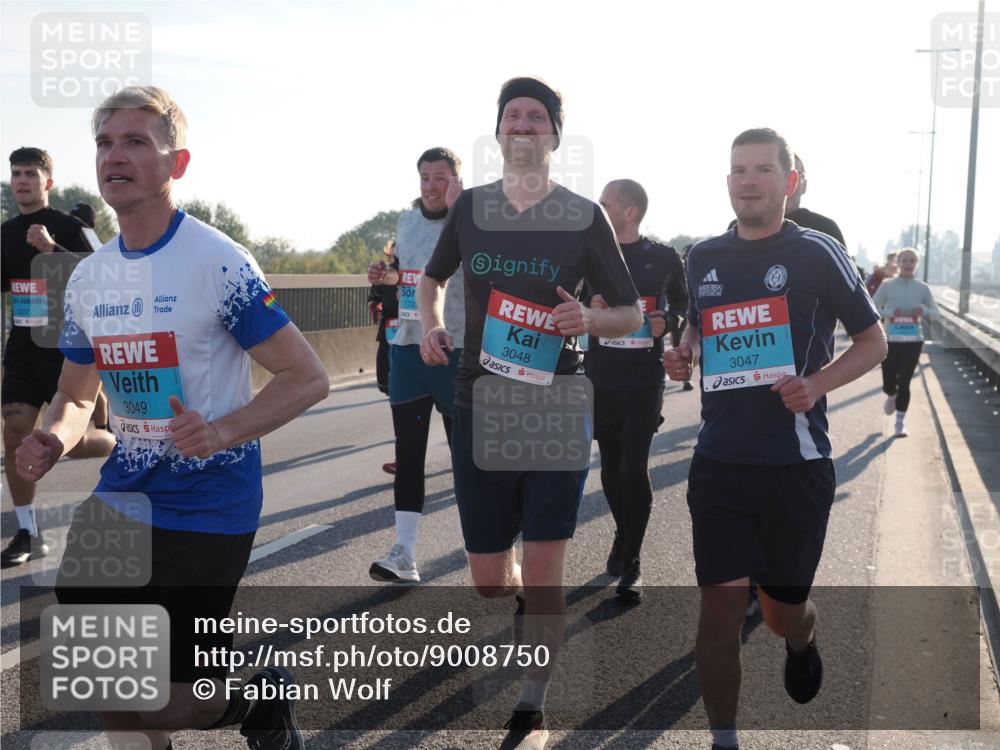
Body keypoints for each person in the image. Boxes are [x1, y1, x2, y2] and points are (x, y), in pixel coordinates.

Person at [15, 86, 329, 750]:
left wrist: (220, 431)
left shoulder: (219, 262)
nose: (114, 156)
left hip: (209, 501)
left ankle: (256, 701)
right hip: (123, 497)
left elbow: (308, 377)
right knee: (106, 675)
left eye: (135, 142)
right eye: (105, 143)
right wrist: (53, 438)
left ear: (177, 163)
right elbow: (76, 396)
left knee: (167, 703)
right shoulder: (90, 279)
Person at [419, 76, 642, 749]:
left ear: (554, 135)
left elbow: (631, 313)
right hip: (481, 403)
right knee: (490, 580)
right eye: (512, 115)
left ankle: (532, 705)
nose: (522, 125)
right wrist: (430, 323)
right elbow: (432, 278)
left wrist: (589, 319)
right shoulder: (471, 208)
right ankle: (511, 583)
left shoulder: (583, 215)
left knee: (547, 571)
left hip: (556, 405)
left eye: (535, 117)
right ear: (498, 131)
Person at [663, 128, 886, 750]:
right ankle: (725, 739)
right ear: (727, 181)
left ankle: (801, 637)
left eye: (762, 169)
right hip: (719, 464)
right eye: (738, 170)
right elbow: (698, 325)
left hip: (795, 466)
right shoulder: (703, 255)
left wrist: (816, 384)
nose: (748, 181)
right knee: (719, 611)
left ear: (788, 181)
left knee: (782, 612)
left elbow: (873, 343)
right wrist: (685, 352)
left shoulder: (817, 251)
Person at [1, 148, 114, 567]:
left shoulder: (72, 227)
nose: (22, 180)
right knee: (15, 431)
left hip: (68, 350)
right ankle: (28, 532)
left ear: (48, 182)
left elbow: (107, 275)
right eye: (16, 173)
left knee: (76, 443)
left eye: (30, 173)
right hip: (23, 348)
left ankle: (116, 440)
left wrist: (53, 250)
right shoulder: (6, 233)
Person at [367, 147, 465, 584]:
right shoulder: (406, 222)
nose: (430, 186)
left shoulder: (471, 220)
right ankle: (404, 554)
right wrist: (385, 276)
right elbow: (407, 276)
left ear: (456, 180)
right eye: (425, 177)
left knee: (468, 460)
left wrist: (461, 209)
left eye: (440, 177)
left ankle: (498, 547)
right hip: (407, 349)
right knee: (408, 455)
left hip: (454, 350)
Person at [590, 178, 687, 600]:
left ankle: (632, 561)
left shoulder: (662, 257)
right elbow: (569, 297)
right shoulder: (592, 254)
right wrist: (587, 307)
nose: (598, 209)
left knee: (634, 467)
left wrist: (670, 320)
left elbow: (684, 302)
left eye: (605, 204)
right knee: (611, 467)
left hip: (644, 378)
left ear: (630, 212)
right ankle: (623, 532)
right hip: (601, 375)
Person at [871, 247, 938, 437]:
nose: (908, 263)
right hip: (890, 340)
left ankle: (899, 424)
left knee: (905, 381)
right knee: (889, 382)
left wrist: (924, 311)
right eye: (904, 260)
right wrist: (891, 313)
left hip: (913, 341)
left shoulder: (923, 288)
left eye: (912, 260)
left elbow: (936, 314)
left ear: (917, 264)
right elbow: (872, 308)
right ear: (897, 263)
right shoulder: (887, 285)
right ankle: (891, 394)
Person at [368, 240, 400, 474]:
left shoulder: (427, 268)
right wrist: (376, 306)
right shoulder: (384, 273)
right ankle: (405, 457)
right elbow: (375, 296)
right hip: (389, 338)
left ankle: (461, 460)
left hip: (420, 341)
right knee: (395, 395)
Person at [784, 155, 846, 246]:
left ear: (804, 185)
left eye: (797, 176)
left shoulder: (826, 228)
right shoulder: (762, 229)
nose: (790, 182)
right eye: (785, 174)